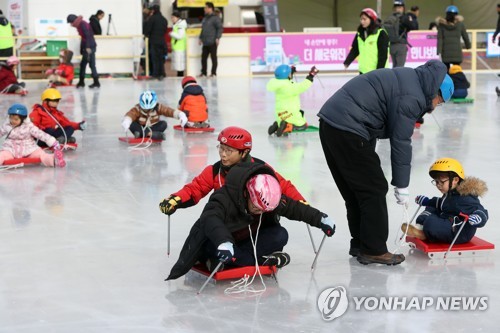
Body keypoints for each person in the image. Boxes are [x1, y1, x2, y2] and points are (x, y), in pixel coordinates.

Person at [317, 60, 454, 265]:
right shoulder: (413, 97)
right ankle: (374, 249)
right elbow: (401, 141)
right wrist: (402, 184)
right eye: (440, 102)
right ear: (437, 92)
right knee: (374, 189)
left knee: (357, 190)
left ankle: (361, 243)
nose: (436, 107)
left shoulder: (411, 79)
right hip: (347, 128)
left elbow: (373, 115)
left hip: (331, 124)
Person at [166, 163, 335, 280]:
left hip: (245, 241)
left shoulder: (269, 197)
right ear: (247, 193)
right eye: (256, 206)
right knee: (216, 247)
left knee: (280, 235)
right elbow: (211, 220)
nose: (260, 211)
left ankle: (231, 261)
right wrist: (224, 242)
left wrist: (321, 219)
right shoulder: (224, 197)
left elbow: (294, 208)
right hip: (217, 241)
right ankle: (257, 261)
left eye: (264, 209)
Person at [159, 126, 308, 216]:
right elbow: (194, 189)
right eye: (221, 149)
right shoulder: (215, 171)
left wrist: (301, 203)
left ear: (244, 152)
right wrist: (175, 200)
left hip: (254, 222)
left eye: (229, 151)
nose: (223, 154)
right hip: (228, 222)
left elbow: (282, 186)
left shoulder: (260, 169)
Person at [402, 158, 488, 244]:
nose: (438, 185)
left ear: (455, 180)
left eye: (442, 182)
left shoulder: (466, 197)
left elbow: (480, 210)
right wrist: (427, 201)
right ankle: (420, 227)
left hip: (458, 232)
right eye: (436, 182)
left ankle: (425, 231)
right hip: (447, 222)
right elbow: (442, 204)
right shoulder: (451, 193)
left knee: (431, 221)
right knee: (431, 208)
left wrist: (479, 217)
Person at [0, 104, 65, 167]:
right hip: (11, 149)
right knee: (2, 155)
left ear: (23, 119)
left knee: (40, 154)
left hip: (29, 149)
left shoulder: (29, 127)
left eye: (16, 119)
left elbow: (40, 134)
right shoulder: (7, 126)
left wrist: (52, 141)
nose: (13, 121)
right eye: (11, 118)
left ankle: (53, 160)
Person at [267, 65, 319, 137]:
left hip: (280, 113)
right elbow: (302, 86)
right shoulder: (290, 87)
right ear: (288, 75)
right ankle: (288, 126)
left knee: (281, 120)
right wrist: (311, 75)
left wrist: (291, 71)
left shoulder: (278, 84)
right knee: (303, 125)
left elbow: (286, 80)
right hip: (290, 113)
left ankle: (278, 125)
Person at [121, 90, 187, 140]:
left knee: (163, 124)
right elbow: (131, 114)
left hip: (152, 127)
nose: (147, 110)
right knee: (132, 124)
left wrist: (180, 114)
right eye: (145, 108)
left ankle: (142, 134)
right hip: (140, 127)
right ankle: (150, 134)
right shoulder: (137, 109)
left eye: (149, 108)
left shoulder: (158, 107)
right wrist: (127, 120)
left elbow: (168, 111)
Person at [343, 8, 389, 75]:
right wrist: (347, 62)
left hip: (377, 71)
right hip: (363, 71)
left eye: (364, 19)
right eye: (361, 19)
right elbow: (355, 50)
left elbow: (383, 55)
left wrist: (379, 71)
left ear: (371, 19)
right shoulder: (360, 33)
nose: (362, 21)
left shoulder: (381, 33)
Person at [66, 14, 100, 88]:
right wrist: (81, 49)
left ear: (73, 21)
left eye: (70, 23)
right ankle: (92, 82)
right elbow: (83, 38)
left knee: (87, 65)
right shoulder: (80, 24)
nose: (71, 24)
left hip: (89, 48)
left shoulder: (83, 24)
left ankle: (84, 82)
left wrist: (87, 49)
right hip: (89, 47)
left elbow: (87, 36)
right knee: (89, 65)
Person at [384, 0, 418, 68]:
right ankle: (397, 79)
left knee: (394, 66)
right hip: (401, 45)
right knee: (400, 67)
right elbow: (414, 27)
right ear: (403, 8)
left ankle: (393, 78)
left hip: (391, 46)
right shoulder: (405, 18)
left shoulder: (389, 18)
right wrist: (411, 17)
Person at [436, 5, 471, 70]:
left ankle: (448, 80)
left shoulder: (441, 25)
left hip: (445, 54)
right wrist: (468, 46)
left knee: (446, 72)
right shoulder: (460, 24)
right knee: (457, 71)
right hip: (457, 53)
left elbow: (440, 39)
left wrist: (439, 51)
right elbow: (465, 36)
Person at [143, 4, 168, 80]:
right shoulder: (164, 19)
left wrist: (146, 35)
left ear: (153, 10)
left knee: (155, 58)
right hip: (162, 41)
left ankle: (156, 74)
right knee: (161, 58)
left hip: (154, 41)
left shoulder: (152, 18)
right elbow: (165, 30)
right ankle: (162, 73)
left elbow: (147, 30)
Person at [198, 2, 222, 78]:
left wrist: (217, 38)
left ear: (210, 8)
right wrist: (200, 38)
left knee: (213, 58)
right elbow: (203, 29)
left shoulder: (215, 18)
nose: (204, 9)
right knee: (203, 58)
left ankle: (213, 73)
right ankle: (204, 73)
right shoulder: (205, 18)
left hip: (212, 41)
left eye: (205, 8)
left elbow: (220, 28)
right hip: (205, 42)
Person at [170, 11, 187, 77]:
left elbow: (180, 36)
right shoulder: (177, 25)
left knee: (180, 65)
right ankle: (179, 76)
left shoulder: (180, 26)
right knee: (179, 64)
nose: (172, 19)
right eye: (171, 18)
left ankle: (180, 77)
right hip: (177, 47)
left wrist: (171, 34)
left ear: (177, 17)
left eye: (173, 17)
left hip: (180, 47)